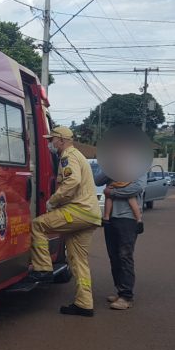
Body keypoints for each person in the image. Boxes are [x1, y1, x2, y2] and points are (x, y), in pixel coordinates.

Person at [28, 126, 102, 317]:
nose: (49, 143)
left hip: (78, 211)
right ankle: (84, 304)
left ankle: (43, 269)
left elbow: (72, 181)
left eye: (51, 140)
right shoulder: (78, 155)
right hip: (90, 215)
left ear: (61, 140)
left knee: (38, 225)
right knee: (78, 260)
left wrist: (53, 201)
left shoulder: (68, 156)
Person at [100, 175, 145, 310]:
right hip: (110, 218)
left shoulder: (138, 167)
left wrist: (112, 192)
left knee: (124, 256)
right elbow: (97, 180)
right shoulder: (112, 167)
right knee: (114, 257)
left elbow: (137, 188)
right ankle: (120, 291)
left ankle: (126, 296)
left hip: (127, 219)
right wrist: (109, 170)